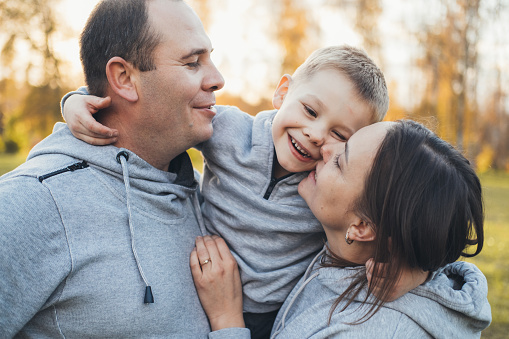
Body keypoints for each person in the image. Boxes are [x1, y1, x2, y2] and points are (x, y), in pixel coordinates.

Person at [62, 45, 430, 338]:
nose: (316, 135)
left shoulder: (330, 193)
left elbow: (401, 220)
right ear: (283, 92)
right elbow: (158, 109)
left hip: (270, 317)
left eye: (340, 135)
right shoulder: (230, 132)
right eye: (310, 110)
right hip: (194, 284)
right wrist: (77, 100)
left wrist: (417, 271)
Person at [0, 0, 250, 337]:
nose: (218, 79)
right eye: (192, 63)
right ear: (124, 78)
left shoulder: (210, 195)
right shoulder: (32, 204)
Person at [191, 120, 492, 338]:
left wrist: (226, 321)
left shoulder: (373, 332)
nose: (325, 147)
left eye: (341, 160)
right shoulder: (370, 252)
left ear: (361, 227)